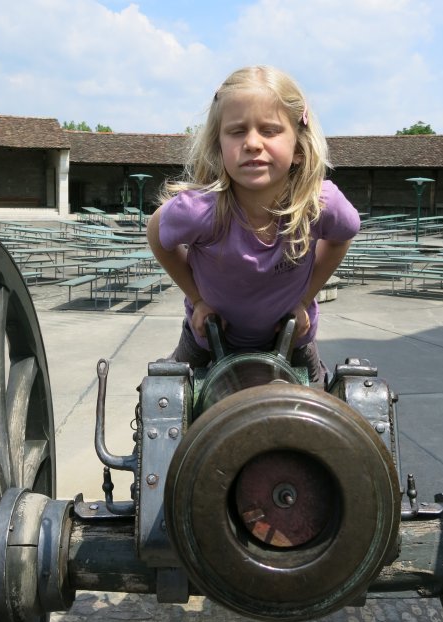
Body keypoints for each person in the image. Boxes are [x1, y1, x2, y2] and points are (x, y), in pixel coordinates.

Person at [146, 65, 360, 384]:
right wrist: (198, 300)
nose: (252, 143)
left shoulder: (320, 205)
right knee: (166, 399)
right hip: (207, 338)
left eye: (270, 130)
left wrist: (305, 299)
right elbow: (156, 233)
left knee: (320, 409)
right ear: (219, 148)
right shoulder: (200, 209)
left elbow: (342, 237)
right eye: (236, 131)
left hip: (292, 338)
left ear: (299, 149)